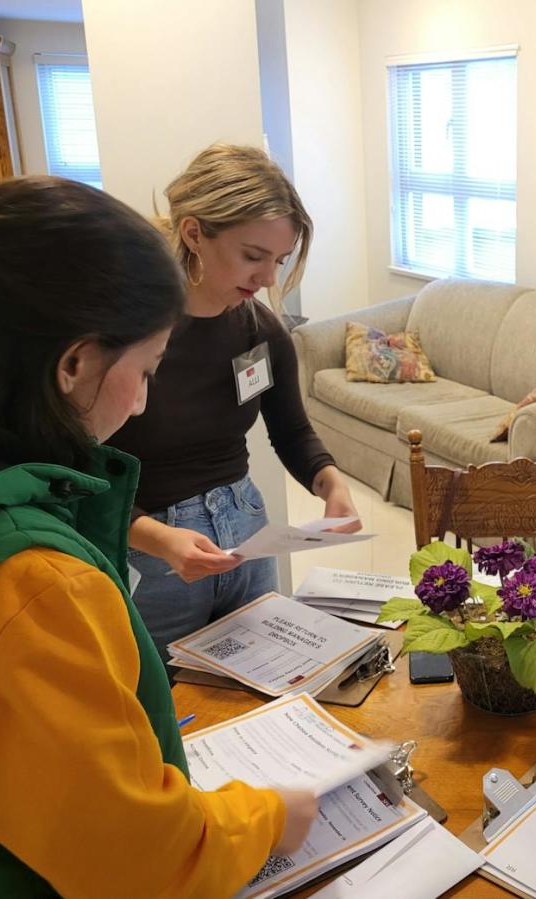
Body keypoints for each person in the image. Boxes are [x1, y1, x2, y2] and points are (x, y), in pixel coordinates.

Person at [0, 177, 316, 895]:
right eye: (143, 370)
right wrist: (264, 816)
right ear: (73, 363)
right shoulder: (33, 584)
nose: (138, 401)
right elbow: (144, 861)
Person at [108, 144, 361, 661]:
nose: (269, 278)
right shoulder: (123, 333)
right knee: (170, 708)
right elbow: (79, 468)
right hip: (150, 553)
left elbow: (291, 433)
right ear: (194, 232)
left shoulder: (259, 329)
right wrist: (158, 539)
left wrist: (329, 481)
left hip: (246, 535)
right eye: (253, 256)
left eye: (279, 260)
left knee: (264, 688)